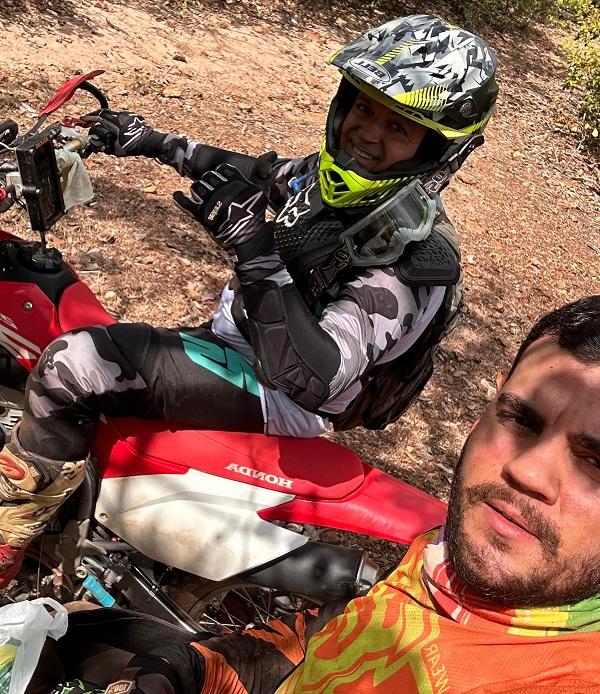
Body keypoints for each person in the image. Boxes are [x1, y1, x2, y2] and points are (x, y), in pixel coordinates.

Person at [0, 15, 498, 586]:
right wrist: (148, 140)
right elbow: (257, 174)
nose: (368, 133)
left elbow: (318, 375)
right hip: (245, 344)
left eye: (398, 128)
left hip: (283, 392)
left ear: (435, 152)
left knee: (75, 364)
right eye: (363, 108)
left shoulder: (409, 259)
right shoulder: (332, 181)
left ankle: (5, 541)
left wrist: (255, 252)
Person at [50, 294, 596, 694]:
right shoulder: (454, 561)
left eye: (596, 461)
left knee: (70, 369)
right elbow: (343, 634)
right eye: (521, 419)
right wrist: (199, 667)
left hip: (285, 395)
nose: (527, 471)